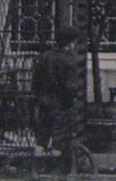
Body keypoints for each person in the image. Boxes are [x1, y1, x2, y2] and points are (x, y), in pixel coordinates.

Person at [32, 26, 85, 171]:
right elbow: (70, 86)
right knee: (61, 134)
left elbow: (35, 81)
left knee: (43, 133)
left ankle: (38, 165)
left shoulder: (45, 57)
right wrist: (73, 97)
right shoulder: (69, 60)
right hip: (61, 103)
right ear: (71, 43)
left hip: (43, 102)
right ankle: (59, 166)